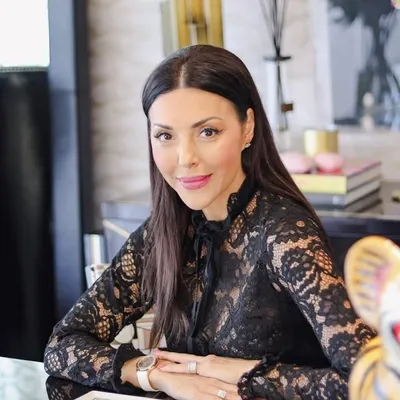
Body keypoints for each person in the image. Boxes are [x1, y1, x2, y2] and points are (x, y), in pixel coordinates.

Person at [44, 44, 375, 400]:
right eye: (165, 136)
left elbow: (374, 382)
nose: (185, 158)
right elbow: (62, 345)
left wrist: (249, 376)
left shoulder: (284, 234)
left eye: (208, 132)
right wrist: (153, 374)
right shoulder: (166, 230)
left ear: (247, 128)